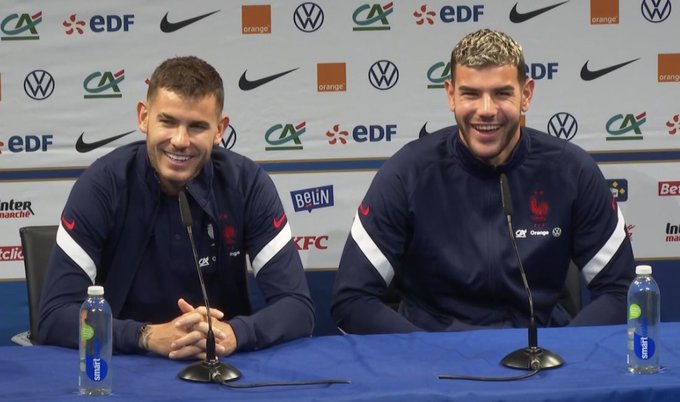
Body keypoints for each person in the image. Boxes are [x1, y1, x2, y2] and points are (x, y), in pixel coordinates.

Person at [331, 29, 635, 334]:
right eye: (471, 94)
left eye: (502, 93)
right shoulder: (407, 174)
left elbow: (621, 291)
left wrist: (562, 351)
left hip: (538, 353)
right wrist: (427, 352)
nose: (486, 110)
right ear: (451, 95)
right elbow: (352, 300)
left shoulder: (571, 171)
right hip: (434, 356)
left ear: (526, 94)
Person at [39, 56, 315, 358]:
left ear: (219, 130)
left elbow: (297, 307)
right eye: (168, 122)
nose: (180, 141)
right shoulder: (102, 185)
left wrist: (235, 333)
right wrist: (145, 335)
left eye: (197, 127)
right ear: (144, 118)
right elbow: (54, 316)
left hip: (222, 365)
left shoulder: (246, 184)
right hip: (125, 363)